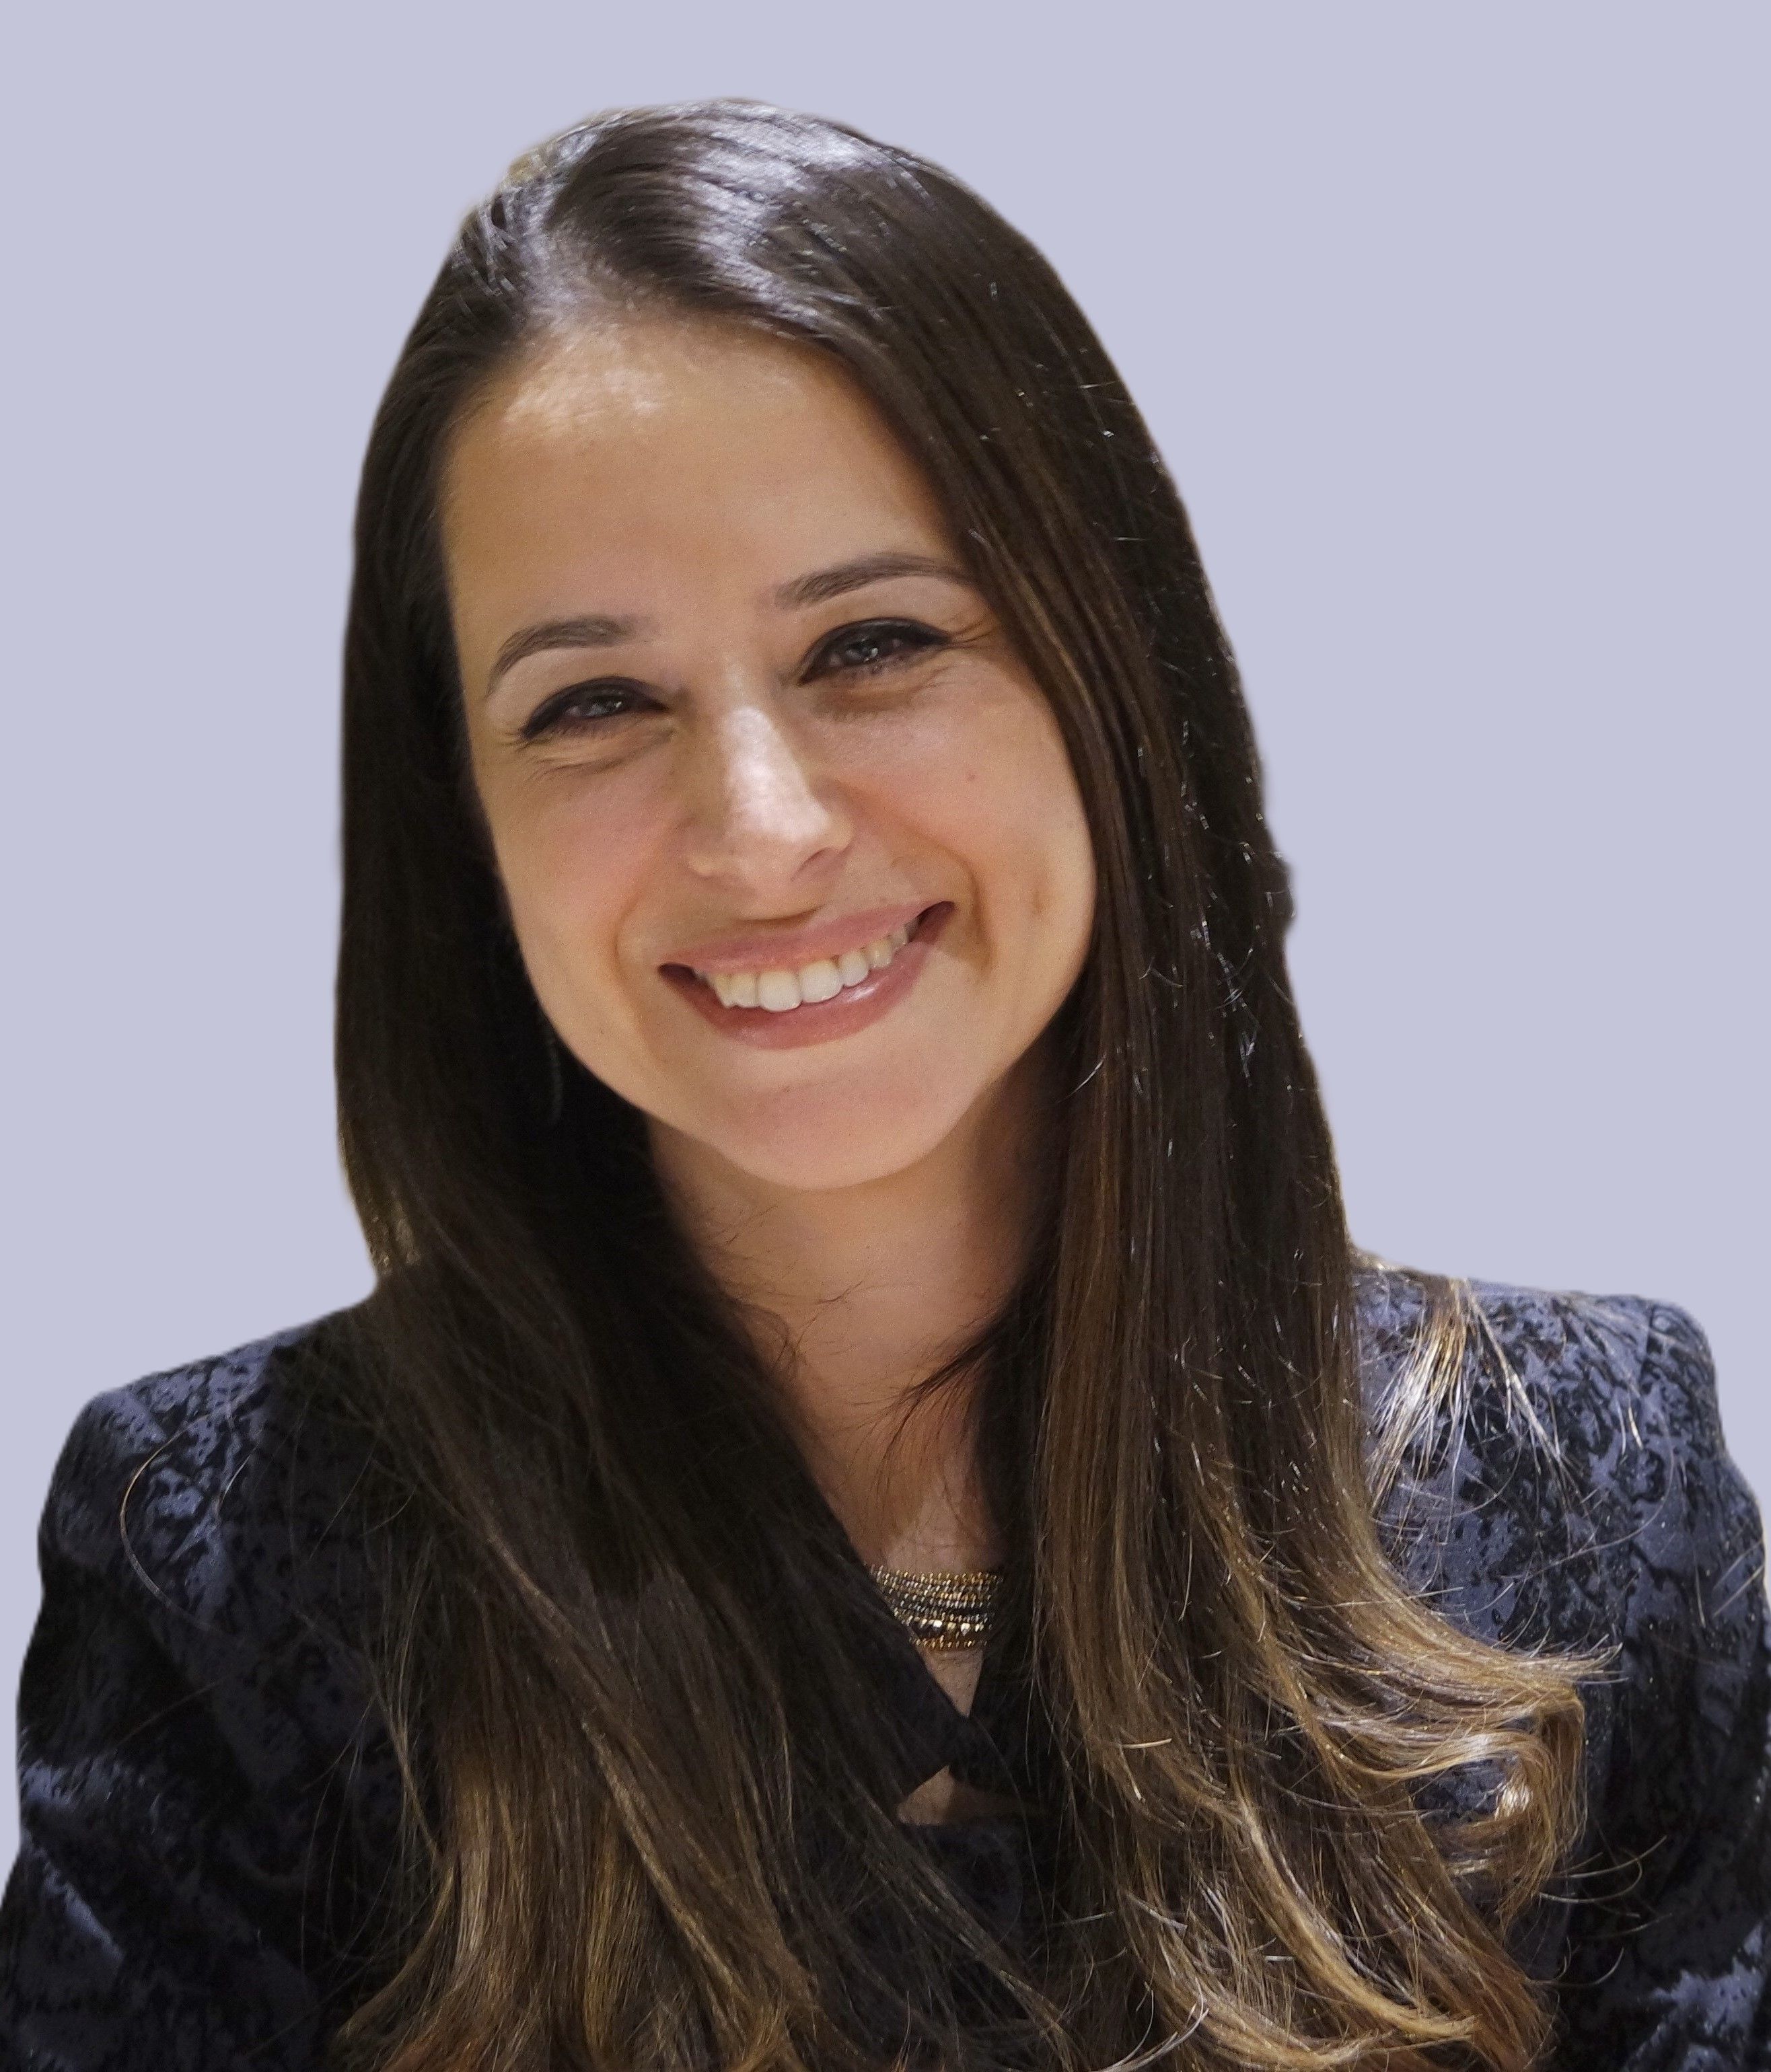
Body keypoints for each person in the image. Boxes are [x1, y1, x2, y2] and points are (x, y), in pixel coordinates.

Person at [1, 99, 1764, 2072]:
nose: (756, 835)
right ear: (460, 828)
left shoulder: (1589, 1495)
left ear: (1121, 691)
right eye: (592, 701)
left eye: (874, 643)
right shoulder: (221, 1563)